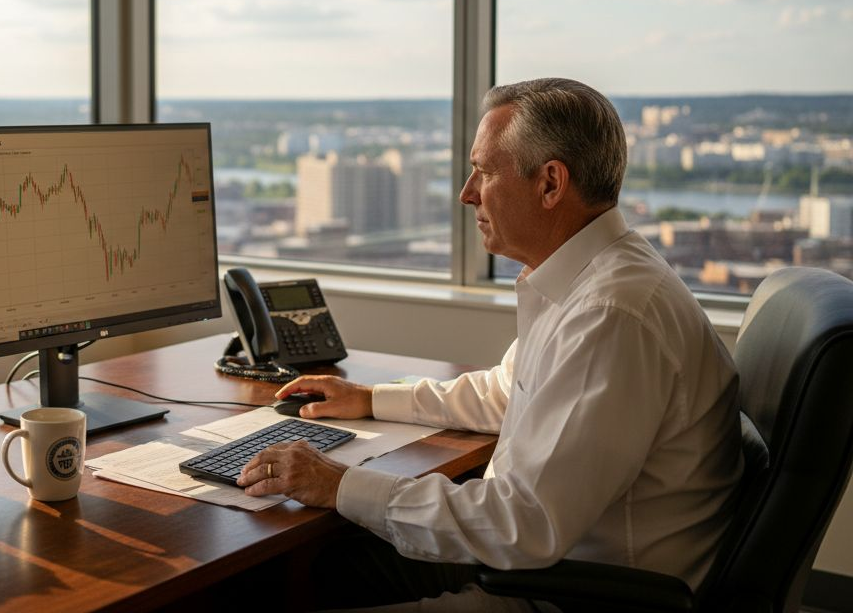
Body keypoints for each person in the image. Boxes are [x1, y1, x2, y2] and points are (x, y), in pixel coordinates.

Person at [237, 78, 743, 612]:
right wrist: (370, 399)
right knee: (331, 565)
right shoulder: (594, 276)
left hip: (560, 592)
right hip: (546, 565)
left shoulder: (610, 315)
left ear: (550, 184)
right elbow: (510, 390)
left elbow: (522, 525)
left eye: (484, 171)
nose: (467, 192)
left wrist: (340, 484)